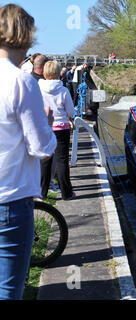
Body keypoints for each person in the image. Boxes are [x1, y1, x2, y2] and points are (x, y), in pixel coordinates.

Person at [0, 4, 56, 300]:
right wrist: (47, 125)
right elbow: (42, 149)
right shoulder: (21, 82)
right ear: (27, 36)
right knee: (8, 291)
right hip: (9, 199)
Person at [39, 61, 76, 200]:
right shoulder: (63, 90)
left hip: (44, 128)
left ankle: (41, 193)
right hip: (61, 128)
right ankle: (66, 193)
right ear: (59, 73)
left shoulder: (39, 88)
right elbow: (71, 111)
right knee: (61, 161)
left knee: (45, 161)